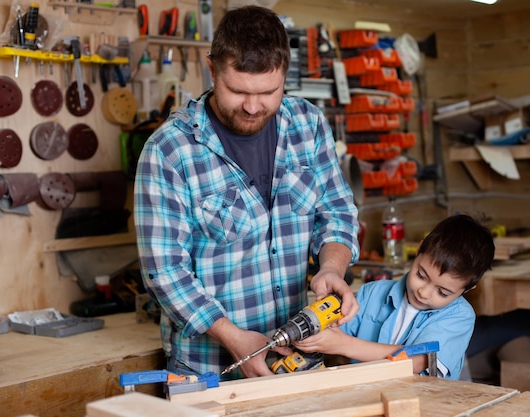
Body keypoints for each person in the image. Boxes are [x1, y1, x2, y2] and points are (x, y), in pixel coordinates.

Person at [133, 5, 360, 381]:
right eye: (237, 90)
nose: (253, 106)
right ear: (212, 69)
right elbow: (165, 273)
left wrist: (331, 269)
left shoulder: (309, 125)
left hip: (293, 360)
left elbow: (336, 211)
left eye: (268, 92)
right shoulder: (169, 151)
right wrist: (233, 337)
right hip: (210, 370)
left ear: (285, 74)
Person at [295, 214, 494, 380]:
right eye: (421, 275)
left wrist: (343, 345)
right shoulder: (373, 292)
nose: (424, 293)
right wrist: (313, 334)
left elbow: (417, 361)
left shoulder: (459, 317)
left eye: (442, 292)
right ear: (418, 250)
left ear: (467, 289)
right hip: (366, 396)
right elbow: (335, 329)